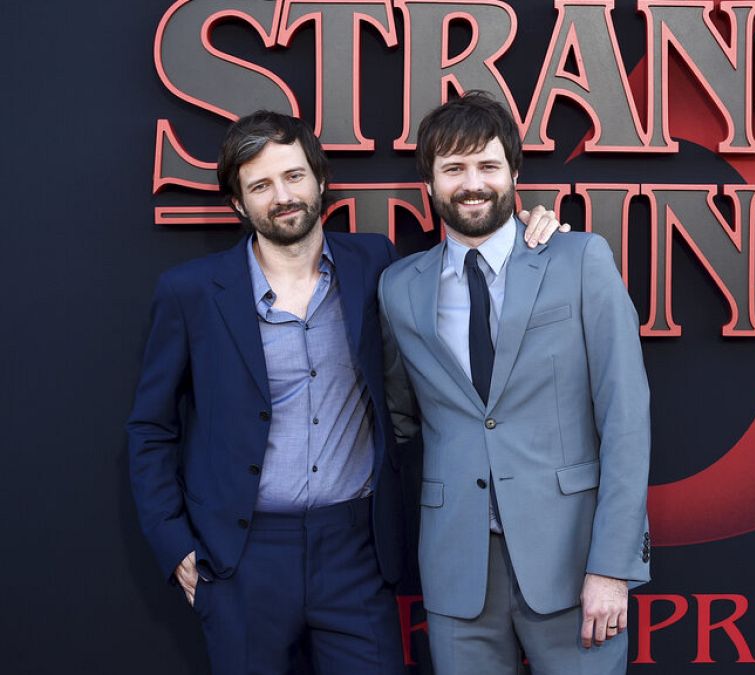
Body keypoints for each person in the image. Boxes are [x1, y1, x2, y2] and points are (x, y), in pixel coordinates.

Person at [126, 110, 566, 674]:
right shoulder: (190, 293)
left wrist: (536, 231)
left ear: (319, 181)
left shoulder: (375, 264)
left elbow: (477, 246)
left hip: (356, 550)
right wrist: (174, 545)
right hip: (242, 557)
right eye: (260, 185)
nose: (282, 196)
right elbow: (150, 428)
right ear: (239, 203)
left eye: (293, 176)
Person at [379, 91, 652, 674]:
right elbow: (401, 418)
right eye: (453, 169)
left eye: (487, 165)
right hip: (458, 571)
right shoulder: (399, 288)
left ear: (513, 173)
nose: (471, 183)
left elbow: (625, 418)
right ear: (429, 182)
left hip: (574, 564)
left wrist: (612, 566)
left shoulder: (579, 259)